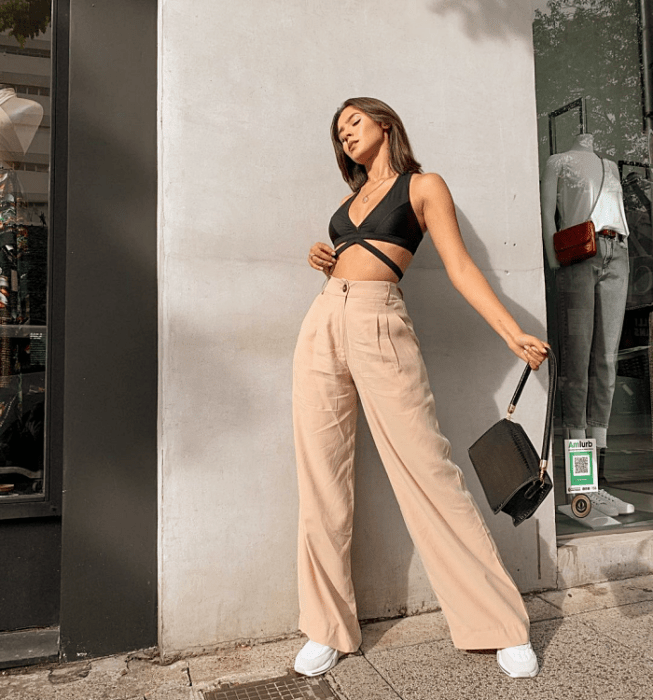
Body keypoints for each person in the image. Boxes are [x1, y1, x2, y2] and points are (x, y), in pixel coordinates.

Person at [292, 97, 549, 680]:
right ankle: (326, 627)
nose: (346, 135)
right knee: (321, 478)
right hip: (323, 323)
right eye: (339, 132)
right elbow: (350, 262)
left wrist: (511, 332)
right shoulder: (346, 203)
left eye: (354, 122)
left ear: (385, 123)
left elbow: (459, 266)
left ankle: (500, 624)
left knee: (429, 472)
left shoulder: (423, 186)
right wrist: (325, 261)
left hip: (381, 323)